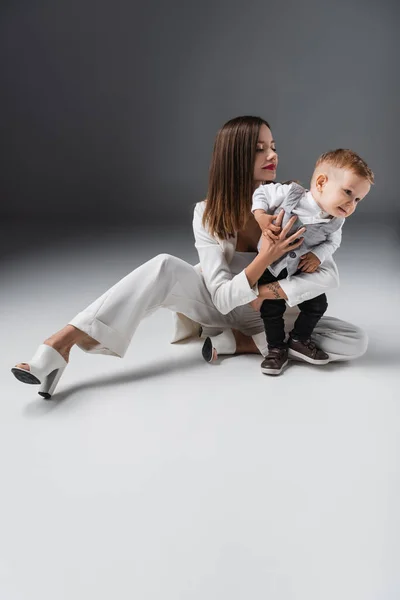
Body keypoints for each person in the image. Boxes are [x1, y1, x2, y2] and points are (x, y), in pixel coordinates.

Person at [11, 116, 368, 398]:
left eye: (273, 146)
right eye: (260, 149)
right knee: (164, 265)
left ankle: (239, 343)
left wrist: (270, 293)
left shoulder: (297, 202)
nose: (273, 155)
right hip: (219, 308)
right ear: (236, 155)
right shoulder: (207, 213)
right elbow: (221, 297)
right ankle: (58, 347)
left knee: (355, 340)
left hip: (271, 315)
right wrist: (266, 257)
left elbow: (328, 276)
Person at [251, 149, 374, 375]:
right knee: (272, 310)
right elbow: (261, 194)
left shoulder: (335, 221)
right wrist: (260, 216)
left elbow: (333, 242)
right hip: (270, 264)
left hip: (298, 269)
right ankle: (276, 349)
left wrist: (318, 256)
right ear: (320, 182)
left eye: (357, 200)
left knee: (318, 305)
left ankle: (299, 339)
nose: (351, 204)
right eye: (347, 193)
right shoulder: (291, 194)